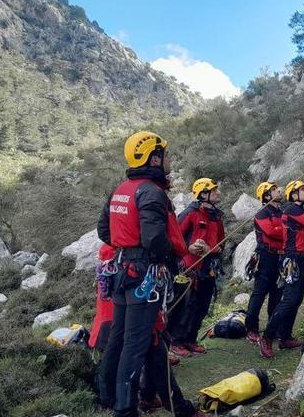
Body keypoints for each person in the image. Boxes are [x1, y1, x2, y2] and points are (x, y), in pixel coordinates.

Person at [95, 131, 204, 417]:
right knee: (136, 343)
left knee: (131, 338)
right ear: (153, 157)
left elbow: (104, 231)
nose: (168, 159)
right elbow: (154, 238)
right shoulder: (152, 192)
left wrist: (126, 246)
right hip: (144, 275)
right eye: (165, 155)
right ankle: (125, 409)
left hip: (121, 271)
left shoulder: (121, 189)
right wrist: (170, 258)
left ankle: (113, 396)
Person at [258, 180, 304, 359]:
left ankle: (285, 337)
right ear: (293, 195)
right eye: (302, 190)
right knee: (289, 299)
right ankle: (268, 337)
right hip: (293, 259)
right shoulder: (292, 210)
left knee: (296, 299)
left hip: (302, 258)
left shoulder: (300, 210)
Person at [170, 178, 226, 354]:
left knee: (201, 306)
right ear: (203, 194)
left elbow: (222, 245)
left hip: (208, 268)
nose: (217, 192)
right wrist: (189, 248)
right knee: (185, 306)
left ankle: (190, 339)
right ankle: (175, 341)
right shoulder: (190, 213)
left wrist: (211, 249)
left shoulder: (217, 217)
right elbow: (174, 237)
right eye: (214, 190)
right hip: (189, 267)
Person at [244, 181, 285, 345]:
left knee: (276, 293)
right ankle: (251, 329)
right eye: (274, 190)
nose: (278, 191)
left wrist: (281, 229)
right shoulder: (262, 213)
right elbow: (271, 232)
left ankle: (271, 328)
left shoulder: (280, 212)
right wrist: (286, 229)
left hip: (279, 257)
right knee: (259, 294)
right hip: (265, 257)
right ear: (267, 195)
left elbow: (279, 231)